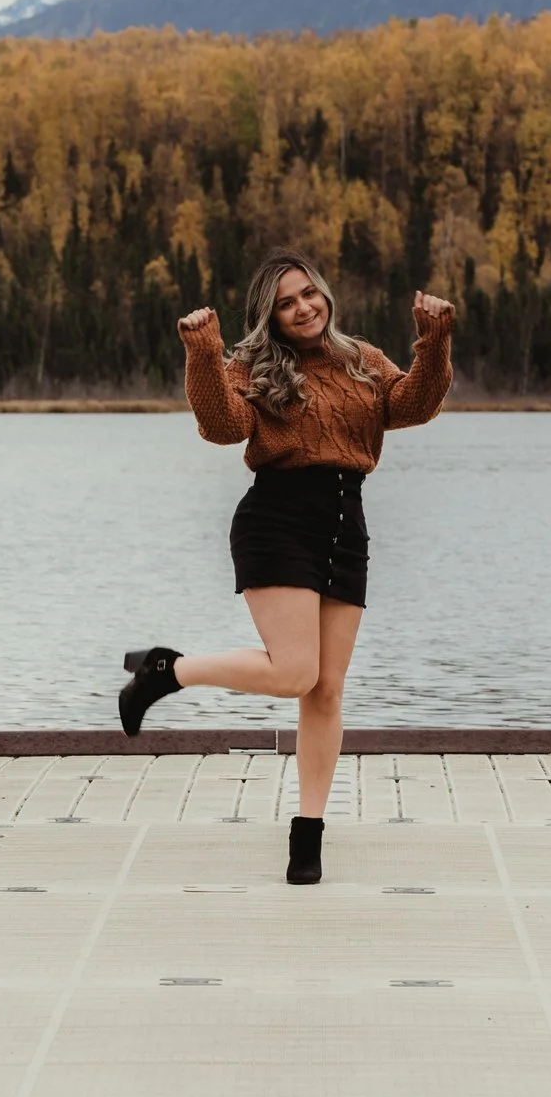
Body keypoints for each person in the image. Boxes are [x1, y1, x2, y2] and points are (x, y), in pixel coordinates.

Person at [117, 250, 455, 884]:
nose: (304, 308)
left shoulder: (360, 358)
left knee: (326, 690)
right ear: (268, 316)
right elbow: (221, 427)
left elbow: (413, 406)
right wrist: (203, 354)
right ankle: (169, 671)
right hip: (277, 520)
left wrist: (434, 343)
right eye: (286, 302)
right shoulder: (253, 366)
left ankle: (309, 834)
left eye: (309, 294)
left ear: (324, 294)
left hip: (344, 523)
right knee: (297, 672)